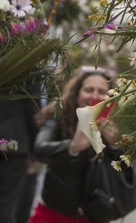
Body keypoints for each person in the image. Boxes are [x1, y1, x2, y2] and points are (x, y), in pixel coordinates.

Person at [28, 68, 120, 223]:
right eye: (88, 90)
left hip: (96, 215)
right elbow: (39, 149)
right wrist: (72, 147)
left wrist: (115, 146)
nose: (95, 96)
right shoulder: (60, 115)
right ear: (77, 93)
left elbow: (124, 174)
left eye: (102, 91)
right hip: (55, 213)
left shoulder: (116, 122)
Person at [0, 85, 40, 223]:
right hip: (13, 143)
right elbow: (32, 108)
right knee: (6, 205)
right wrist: (36, 148)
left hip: (12, 144)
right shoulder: (26, 69)